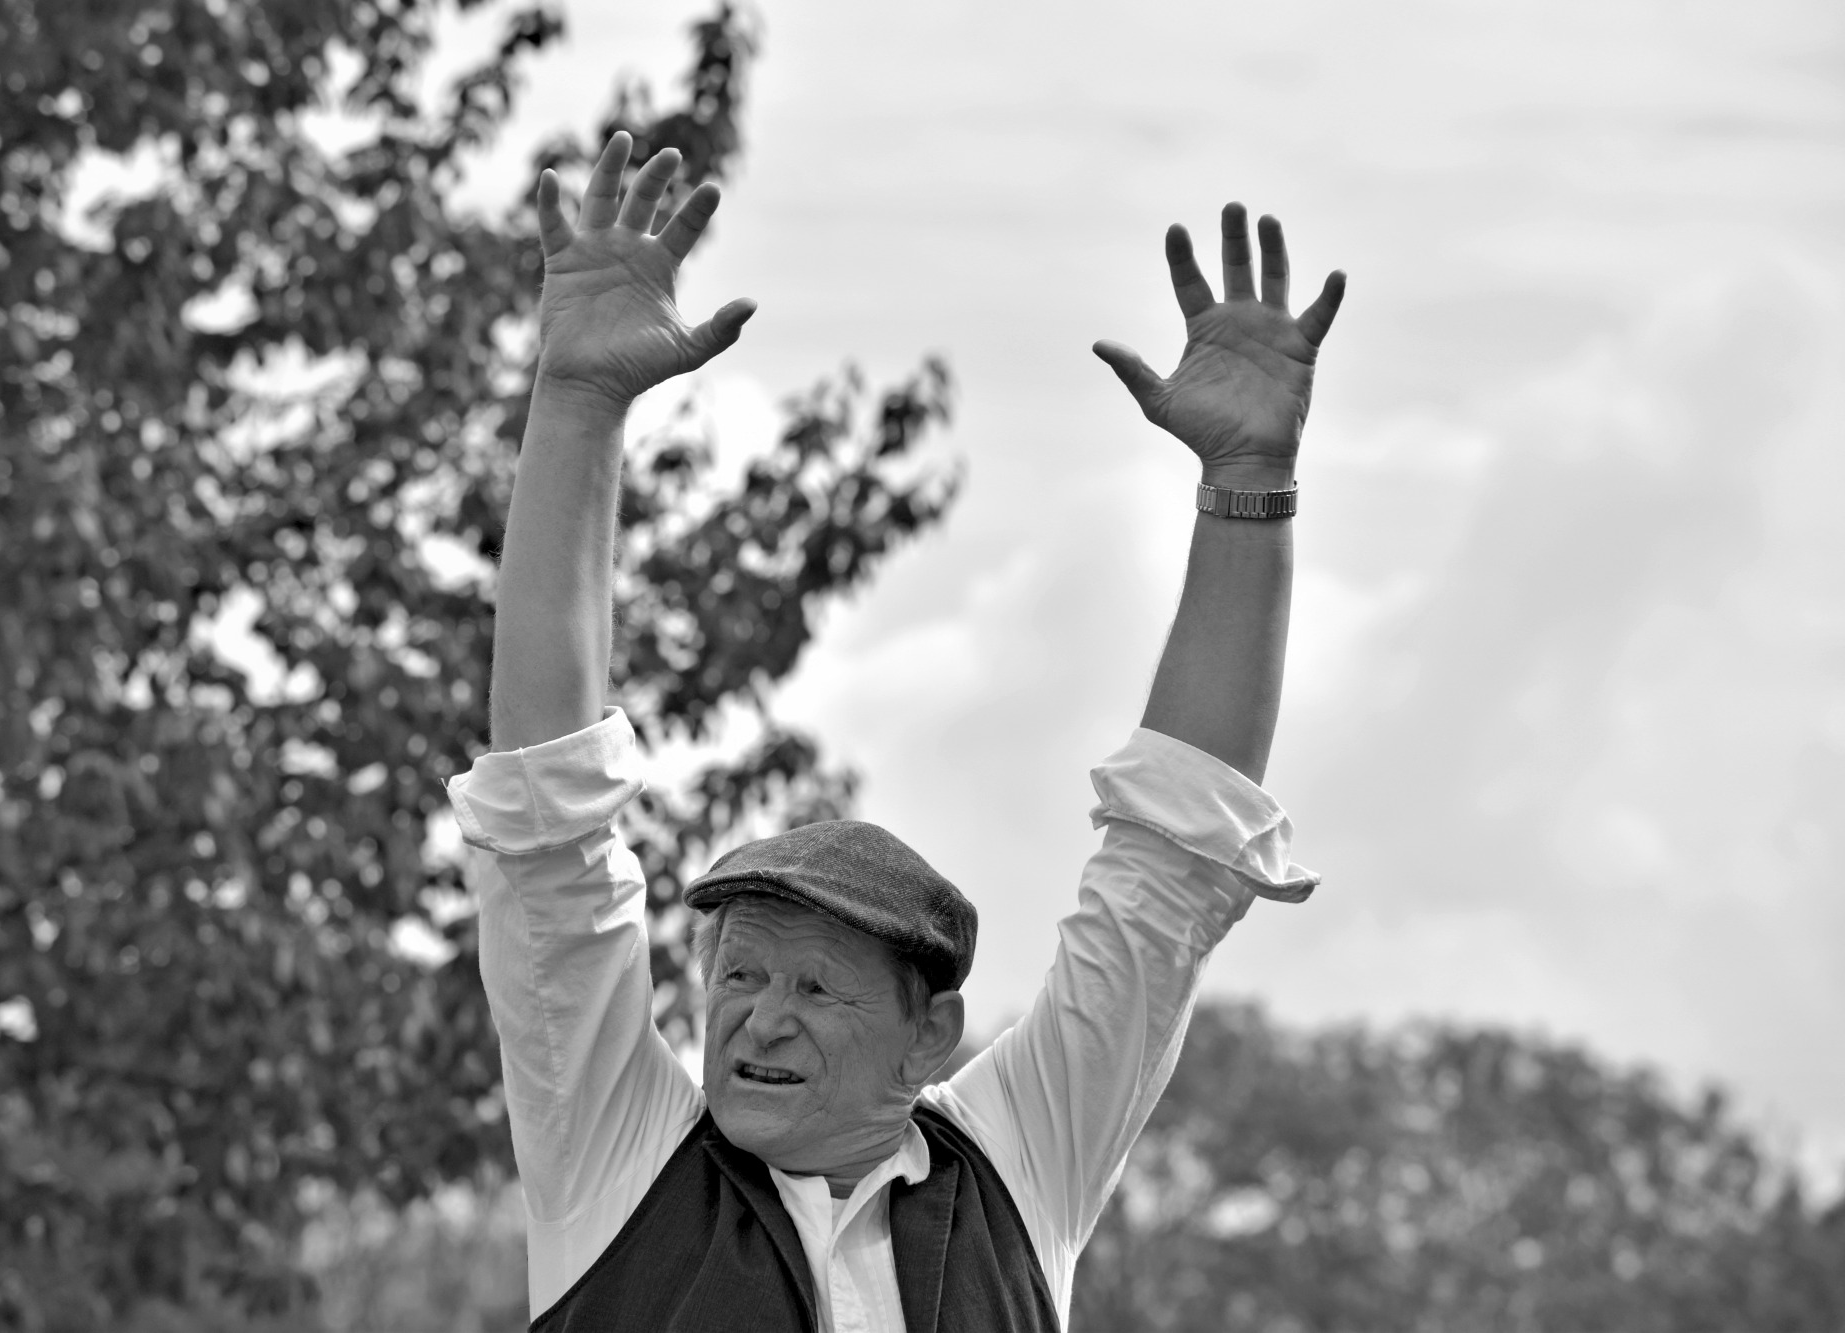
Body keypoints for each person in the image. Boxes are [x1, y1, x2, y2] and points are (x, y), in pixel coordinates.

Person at [446, 129, 1347, 1332]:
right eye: (739, 973)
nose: (760, 1017)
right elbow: (547, 823)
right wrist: (575, 401)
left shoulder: (1016, 1169)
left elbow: (1172, 865)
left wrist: (1246, 485)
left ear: (930, 1036)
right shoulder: (617, 1156)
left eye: (816, 985)